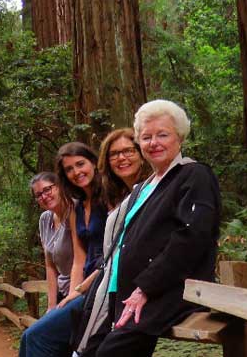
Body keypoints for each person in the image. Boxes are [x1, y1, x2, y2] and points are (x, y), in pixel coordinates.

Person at [96, 100, 221, 356]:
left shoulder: (194, 175)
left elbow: (192, 237)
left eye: (163, 135)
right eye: (146, 137)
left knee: (110, 353)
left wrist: (146, 288)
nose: (154, 143)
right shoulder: (148, 186)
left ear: (179, 137)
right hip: (134, 294)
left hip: (168, 291)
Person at [73, 128, 149, 355]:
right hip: (111, 287)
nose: (121, 158)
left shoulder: (152, 190)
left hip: (138, 289)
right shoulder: (118, 198)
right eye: (114, 154)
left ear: (141, 152)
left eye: (128, 151)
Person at [18, 172, 87, 357]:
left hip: (82, 291)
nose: (44, 196)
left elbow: (79, 260)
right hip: (62, 293)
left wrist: (71, 298)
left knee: (34, 337)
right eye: (39, 194)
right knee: (28, 338)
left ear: (60, 186)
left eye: (48, 189)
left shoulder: (75, 210)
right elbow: (50, 265)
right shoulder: (45, 219)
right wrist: (51, 305)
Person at [56, 142, 106, 281]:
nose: (76, 172)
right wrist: (73, 293)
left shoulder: (109, 196)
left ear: (94, 163)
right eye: (69, 169)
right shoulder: (76, 208)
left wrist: (83, 288)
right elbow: (79, 259)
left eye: (80, 164)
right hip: (87, 277)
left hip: (106, 274)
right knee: (63, 304)